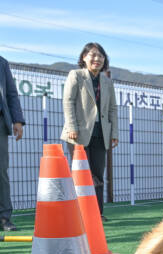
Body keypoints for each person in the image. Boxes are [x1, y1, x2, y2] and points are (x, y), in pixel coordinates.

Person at [61, 42, 118, 220]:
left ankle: (97, 213)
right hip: (77, 134)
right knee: (81, 174)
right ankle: (79, 214)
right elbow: (68, 101)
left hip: (101, 134)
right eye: (92, 55)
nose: (97, 59)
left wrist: (114, 133)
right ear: (84, 57)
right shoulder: (76, 75)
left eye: (100, 56)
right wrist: (71, 127)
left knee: (98, 175)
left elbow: (112, 109)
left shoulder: (107, 82)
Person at [0, 22, 26, 231]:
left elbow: (12, 94)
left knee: (0, 172)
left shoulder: (0, 63)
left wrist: (18, 121)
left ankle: (4, 218)